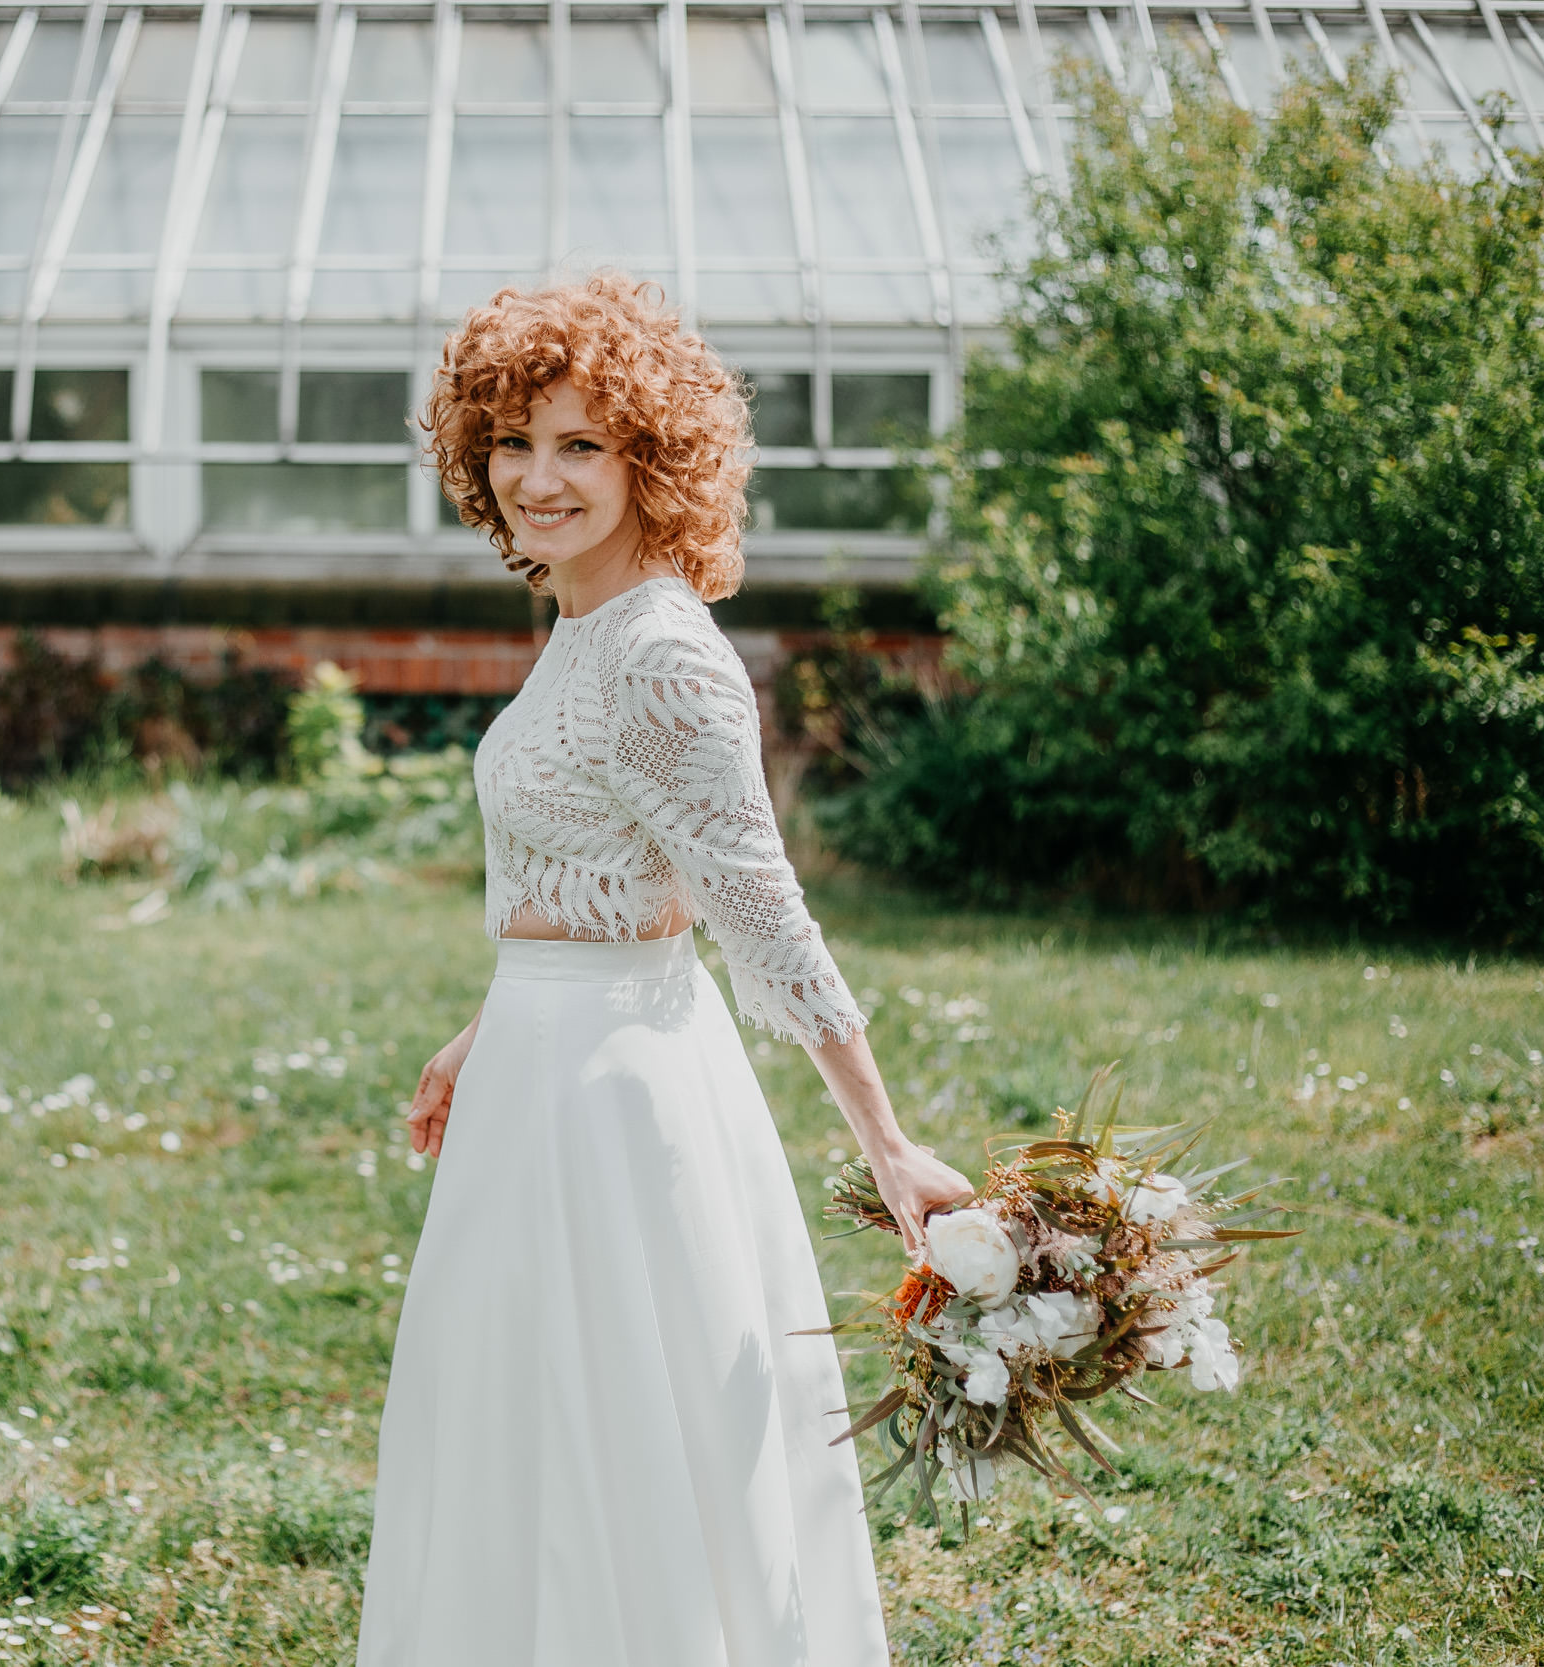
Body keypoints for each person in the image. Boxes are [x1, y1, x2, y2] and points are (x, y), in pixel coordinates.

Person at [354, 272, 975, 1667]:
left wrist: (885, 1142)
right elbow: (599, 879)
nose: (539, 477)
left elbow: (761, 912)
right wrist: (484, 1029)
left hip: (618, 1109)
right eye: (514, 442)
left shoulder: (661, 658)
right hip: (538, 1069)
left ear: (652, 458)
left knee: (622, 1436)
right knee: (525, 1435)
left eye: (581, 443)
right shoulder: (581, 624)